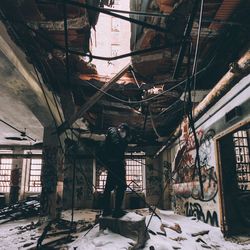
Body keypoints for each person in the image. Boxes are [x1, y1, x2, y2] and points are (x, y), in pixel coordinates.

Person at [101, 123, 130, 218]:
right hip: (116, 164)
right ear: (121, 129)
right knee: (121, 186)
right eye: (124, 131)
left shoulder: (116, 134)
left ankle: (107, 210)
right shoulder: (113, 131)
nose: (124, 134)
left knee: (110, 187)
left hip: (113, 164)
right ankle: (116, 211)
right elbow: (117, 145)